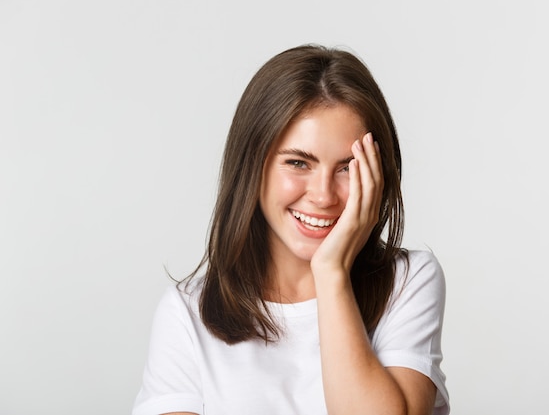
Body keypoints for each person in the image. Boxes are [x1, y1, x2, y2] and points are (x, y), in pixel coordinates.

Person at [132, 44, 450, 415]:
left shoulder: (409, 282)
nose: (323, 195)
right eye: (298, 163)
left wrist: (331, 273)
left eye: (347, 167)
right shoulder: (187, 313)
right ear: (253, 167)